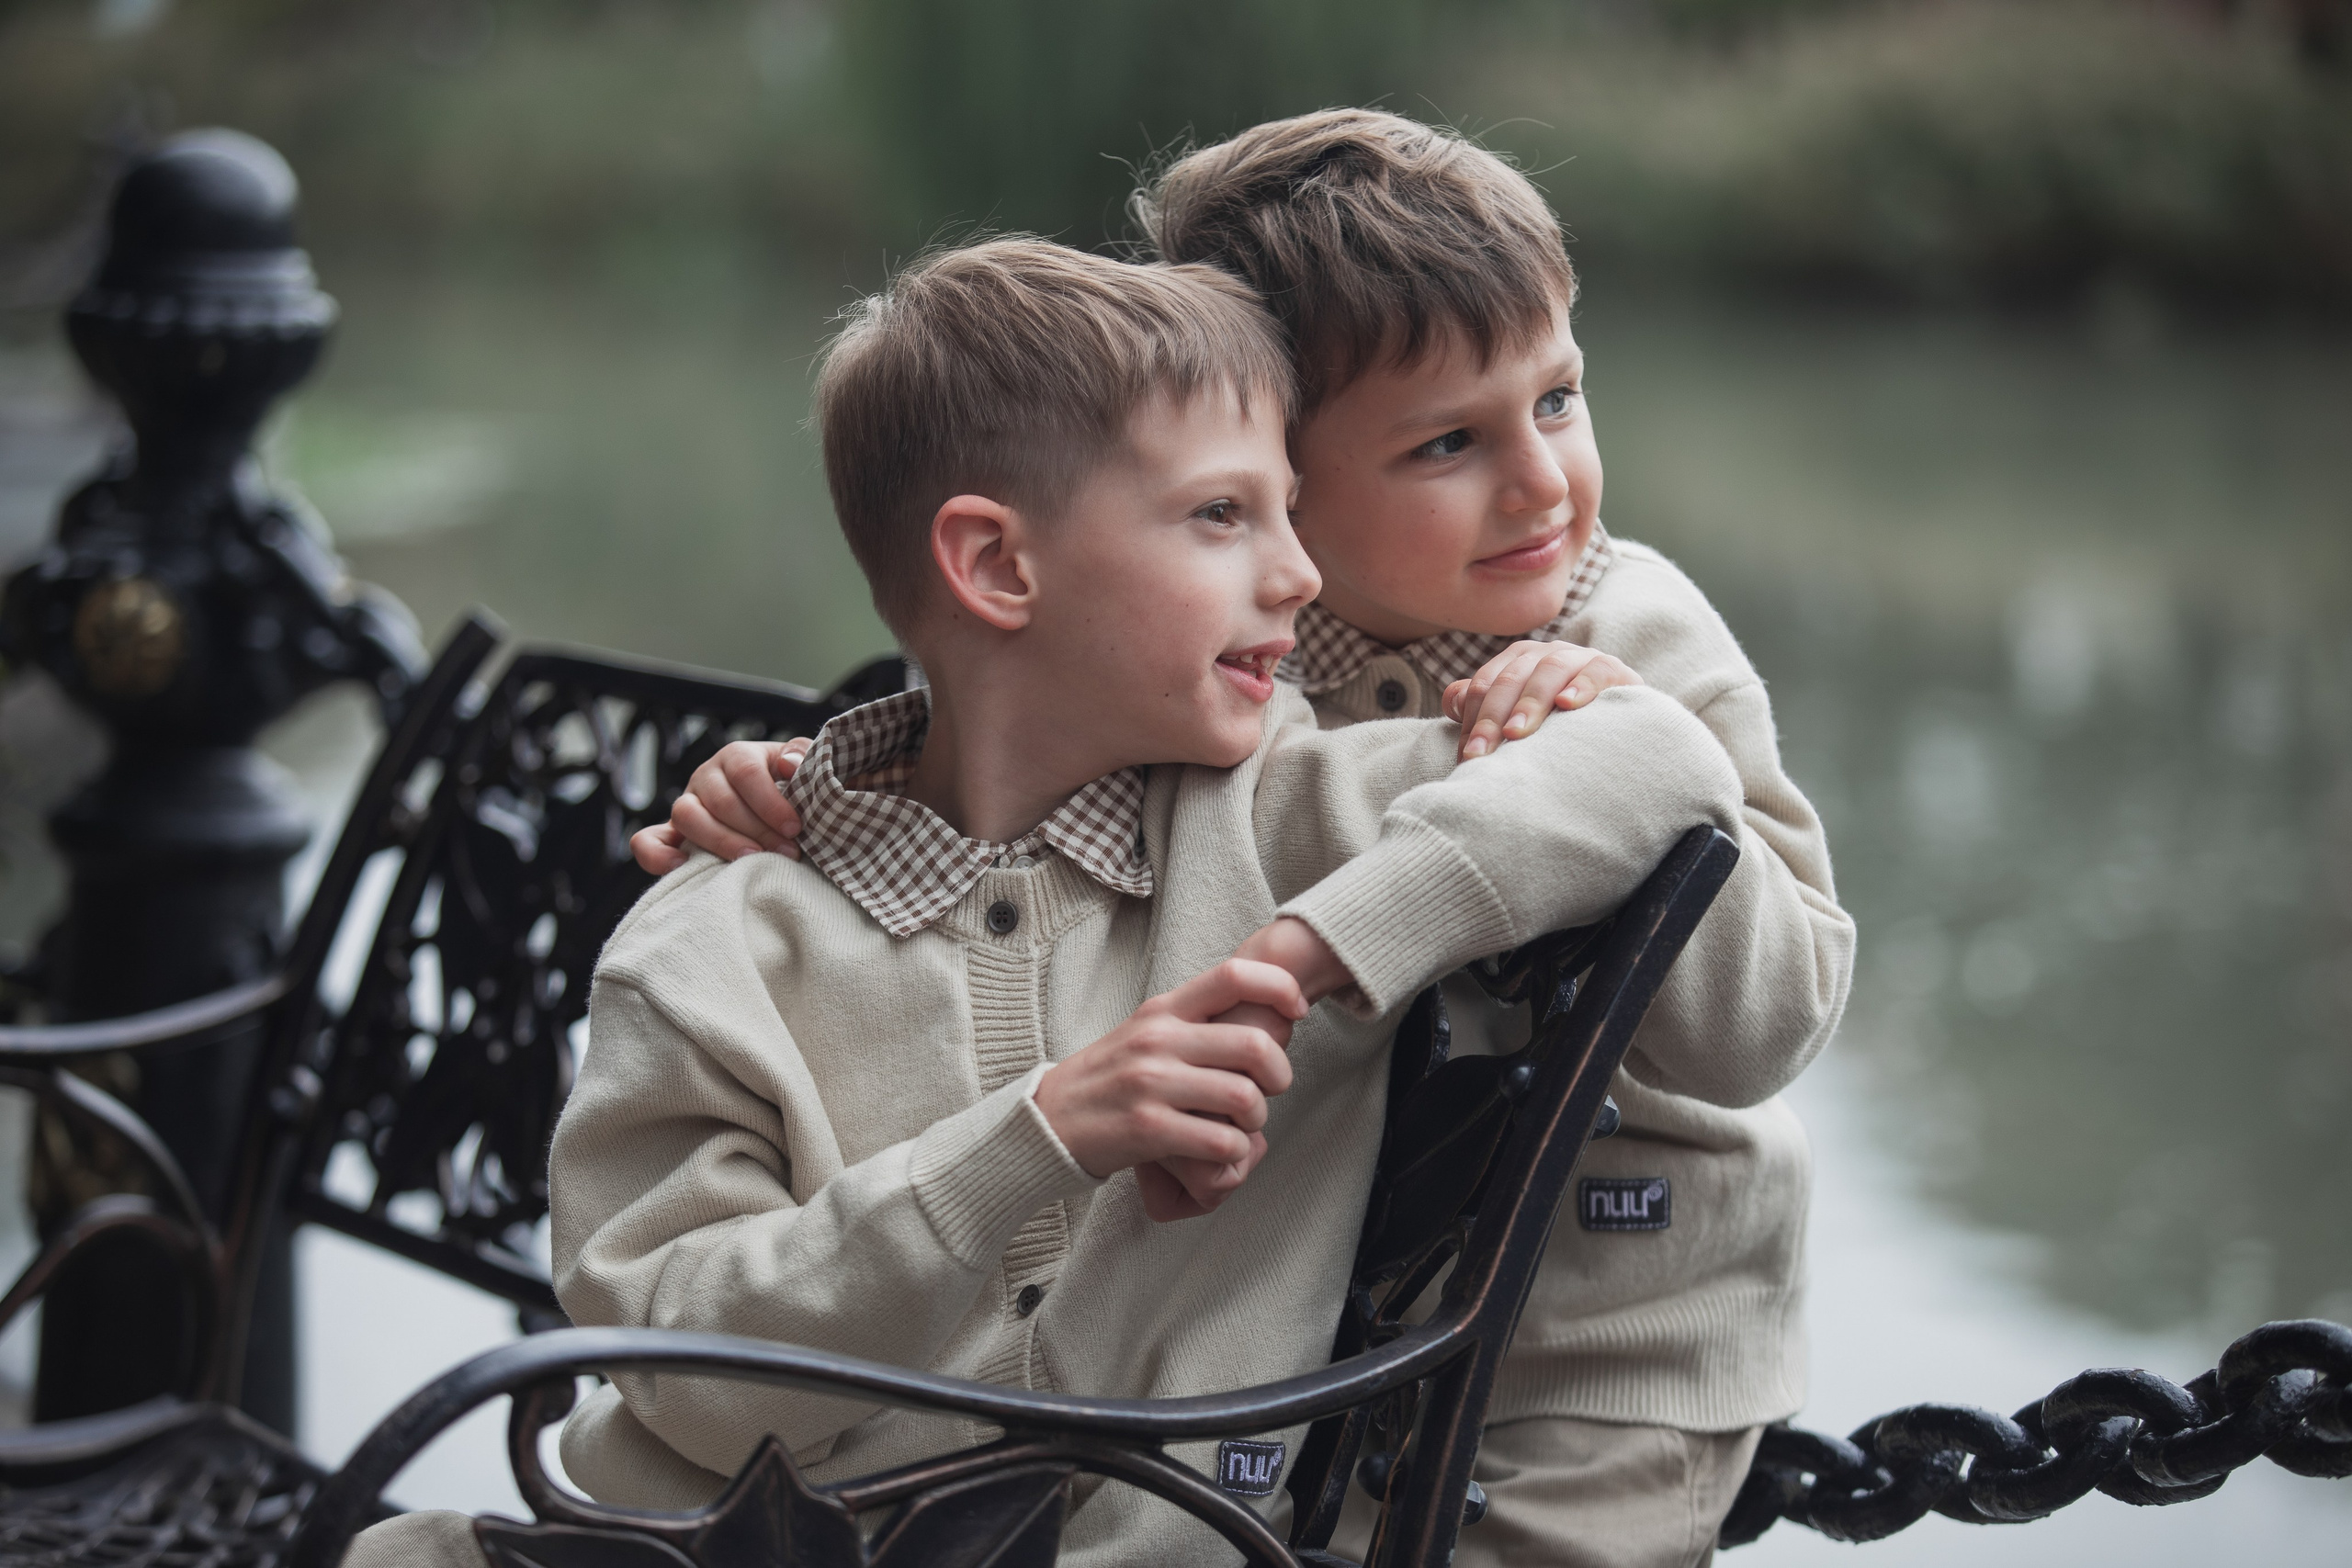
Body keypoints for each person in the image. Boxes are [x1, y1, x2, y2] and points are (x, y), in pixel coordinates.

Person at [350, 235, 1744, 1568]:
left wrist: (1314, 947)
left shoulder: (1278, 820)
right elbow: (688, 1384)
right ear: (998, 567)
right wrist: (1041, 1139)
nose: (1298, 572)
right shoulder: (710, 943)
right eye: (1222, 516)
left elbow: (1657, 760)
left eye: (1286, 510)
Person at [641, 111, 1857, 1568]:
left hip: (1600, 1344)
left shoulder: (1631, 634)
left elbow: (1764, 1025)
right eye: (1450, 442)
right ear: (1278, 458)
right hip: (1315, 1332)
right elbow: (1013, 729)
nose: (1542, 483)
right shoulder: (1234, 660)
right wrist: (826, 782)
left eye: (1559, 399)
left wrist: (1616, 768)